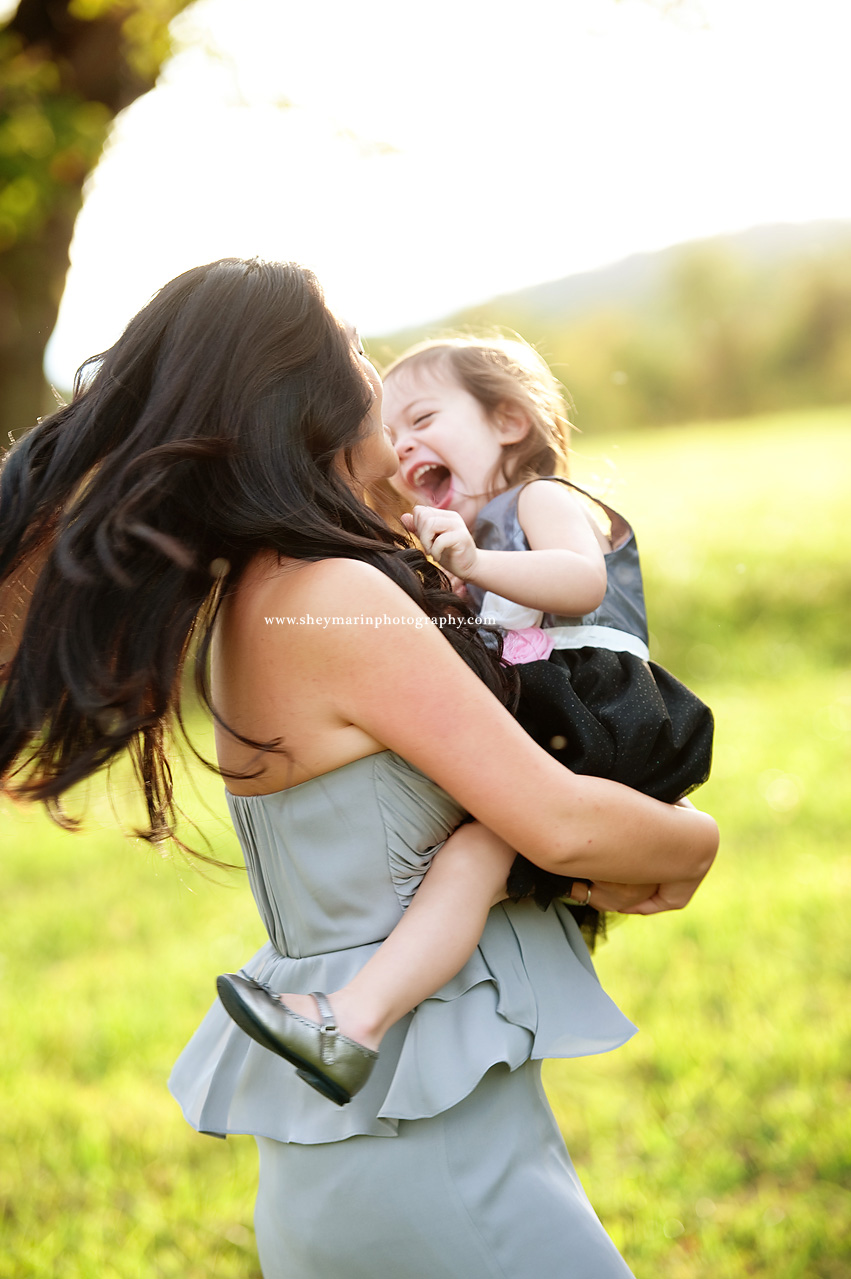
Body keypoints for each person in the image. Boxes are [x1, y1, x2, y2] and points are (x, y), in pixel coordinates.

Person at [0, 260, 718, 1278]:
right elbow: (558, 824)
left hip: (385, 1152)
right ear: (312, 401)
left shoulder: (271, 592)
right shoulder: (330, 594)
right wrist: (696, 837)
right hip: (427, 1163)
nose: (375, 377)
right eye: (357, 356)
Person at [218, 334, 715, 1096]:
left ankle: (355, 1019)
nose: (403, 441)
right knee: (480, 861)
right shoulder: (466, 534)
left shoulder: (540, 498)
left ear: (509, 421)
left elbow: (579, 582)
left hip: (595, 703)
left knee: (478, 851)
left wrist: (473, 567)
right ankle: (358, 1016)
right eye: (391, 431)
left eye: (422, 416)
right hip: (551, 710)